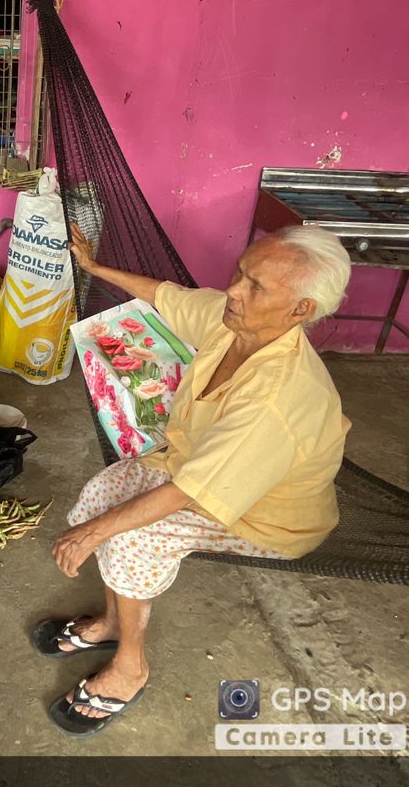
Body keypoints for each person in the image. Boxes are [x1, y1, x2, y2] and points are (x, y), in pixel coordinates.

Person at [35, 224, 352, 737]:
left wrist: (94, 533)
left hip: (261, 516)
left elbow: (190, 493)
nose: (233, 290)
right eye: (240, 273)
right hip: (195, 465)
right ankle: (114, 622)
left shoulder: (277, 398)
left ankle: (130, 668)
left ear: (300, 310)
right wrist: (94, 268)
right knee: (102, 495)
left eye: (255, 286)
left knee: (134, 537)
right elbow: (167, 296)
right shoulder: (235, 322)